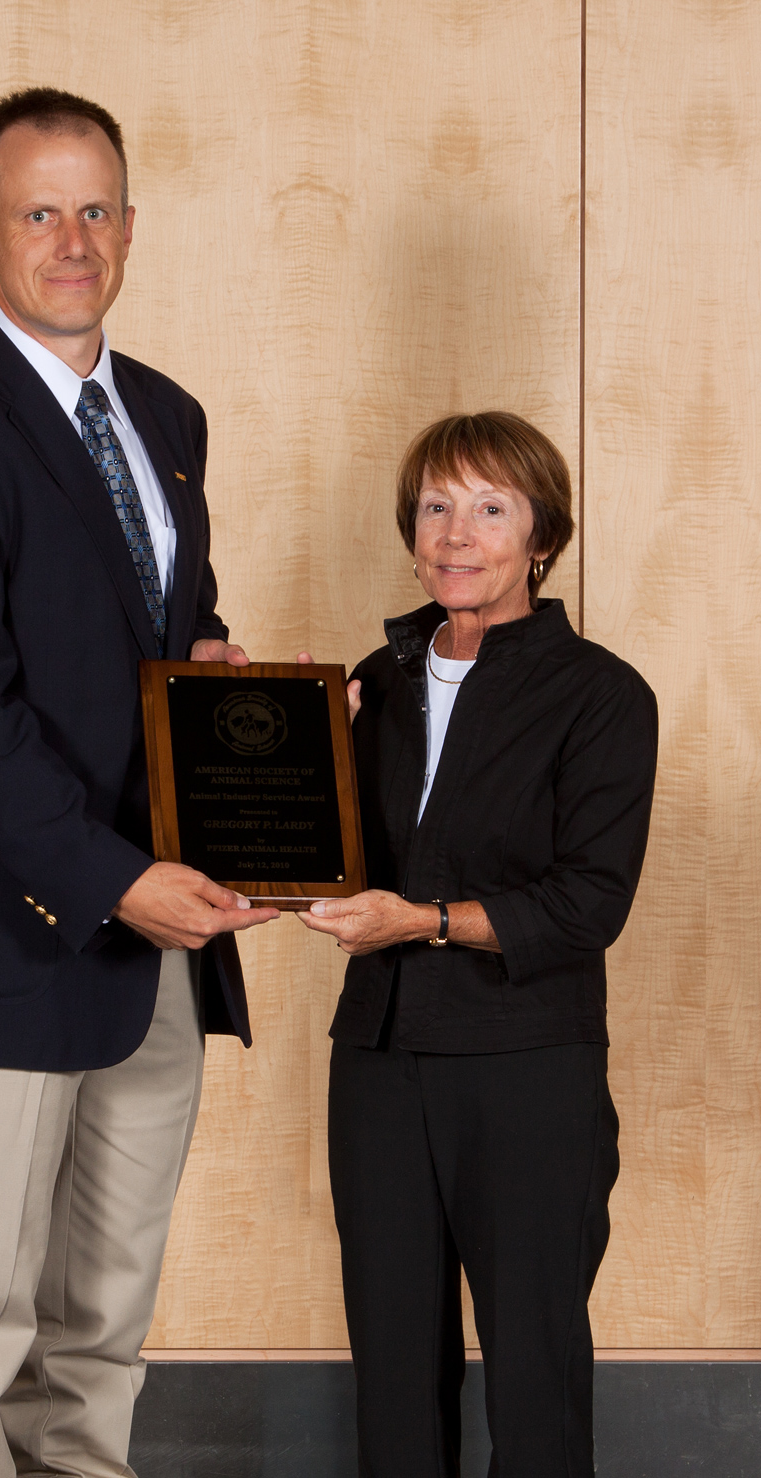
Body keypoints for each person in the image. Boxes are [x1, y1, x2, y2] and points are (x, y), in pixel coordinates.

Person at [0, 87, 279, 1477]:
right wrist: (117, 877)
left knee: (98, 1330)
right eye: (40, 212)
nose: (73, 237)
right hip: (11, 937)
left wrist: (224, 698)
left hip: (162, 946)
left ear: (132, 225)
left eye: (96, 209)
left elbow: (162, 639)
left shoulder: (167, 416)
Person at [300, 412, 658, 1476]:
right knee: (395, 1374)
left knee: (533, 1369)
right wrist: (304, 743)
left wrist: (423, 921)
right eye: (435, 506)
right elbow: (326, 855)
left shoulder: (599, 694)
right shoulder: (378, 679)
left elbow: (589, 901)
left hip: (526, 1063)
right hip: (378, 1060)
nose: (457, 534)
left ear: (540, 536)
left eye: (491, 508)